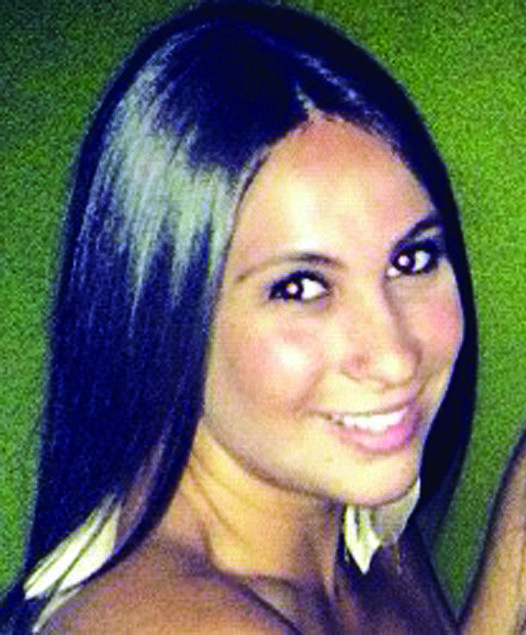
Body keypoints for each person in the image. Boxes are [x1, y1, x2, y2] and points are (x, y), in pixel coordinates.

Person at [1, 1, 477, 632]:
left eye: (412, 259)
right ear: (163, 320)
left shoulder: (350, 506)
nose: (394, 358)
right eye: (301, 287)